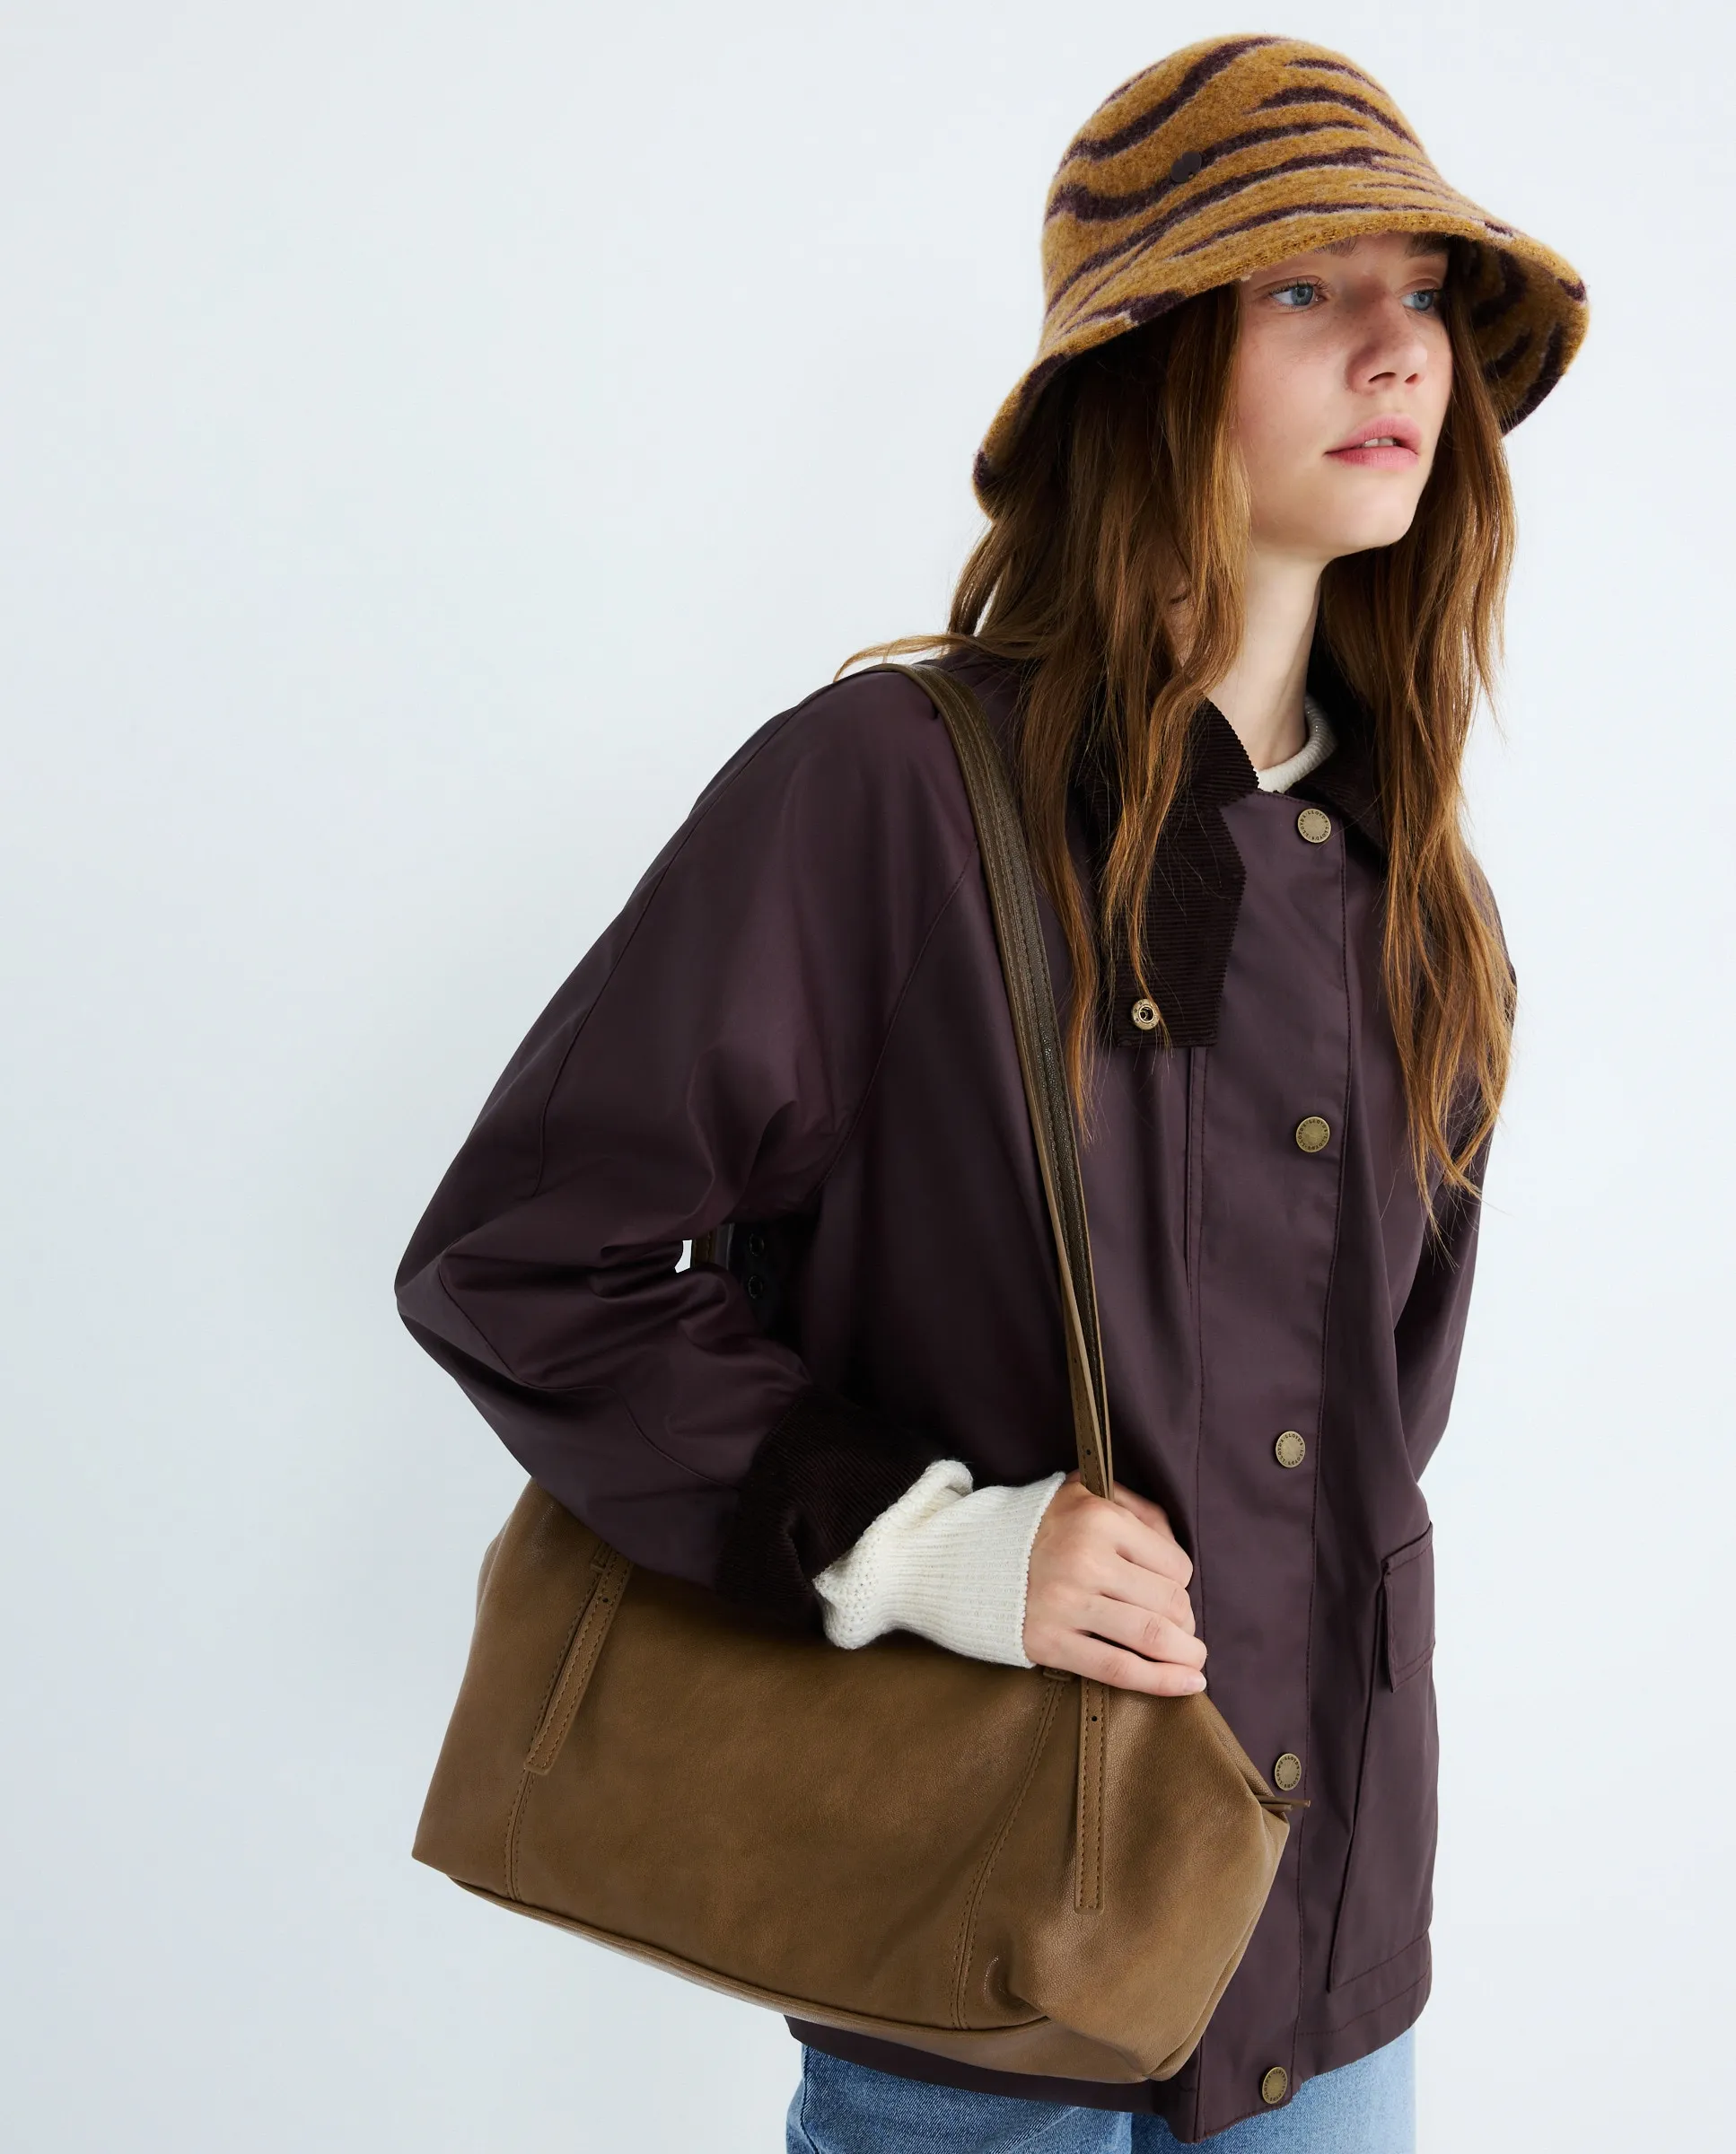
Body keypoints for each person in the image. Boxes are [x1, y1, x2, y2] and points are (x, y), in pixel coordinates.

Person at [393, 34, 1586, 2152]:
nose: (1397, 345)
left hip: (1325, 1968)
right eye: (1302, 288)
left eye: (1421, 293)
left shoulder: (1423, 894)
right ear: (1143, 366)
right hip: (975, 1969)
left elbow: (1375, 1430)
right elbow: (523, 1260)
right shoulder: (889, 796)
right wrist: (918, 1542)